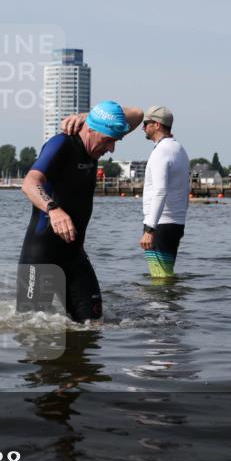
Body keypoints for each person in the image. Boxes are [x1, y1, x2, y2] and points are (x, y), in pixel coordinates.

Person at [17, 101, 143, 322]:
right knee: (35, 334)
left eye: (116, 141)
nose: (111, 149)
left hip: (74, 257)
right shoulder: (62, 144)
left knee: (93, 325)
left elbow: (138, 113)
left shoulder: (94, 146)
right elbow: (29, 183)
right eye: (108, 140)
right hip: (40, 257)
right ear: (92, 131)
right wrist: (53, 209)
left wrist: (86, 115)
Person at [136, 106, 190, 278]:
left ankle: (160, 305)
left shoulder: (161, 151)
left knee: (160, 278)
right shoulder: (180, 150)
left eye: (146, 123)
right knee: (166, 275)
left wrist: (149, 229)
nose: (143, 127)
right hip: (175, 222)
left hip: (160, 224)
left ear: (157, 125)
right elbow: (185, 190)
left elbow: (160, 191)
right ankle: (170, 303)